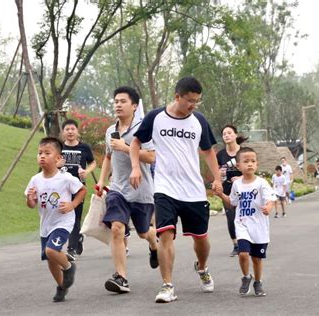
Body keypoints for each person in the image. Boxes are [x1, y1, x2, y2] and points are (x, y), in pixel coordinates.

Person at [129, 76, 221, 303]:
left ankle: (202, 267)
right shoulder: (156, 117)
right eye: (189, 100)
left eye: (197, 101)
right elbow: (135, 142)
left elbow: (208, 151)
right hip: (165, 187)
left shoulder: (198, 120)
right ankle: (167, 286)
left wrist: (217, 178)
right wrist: (135, 168)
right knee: (165, 235)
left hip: (193, 190)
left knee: (201, 239)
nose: (193, 105)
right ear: (177, 96)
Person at [95, 86, 159, 294]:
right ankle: (121, 277)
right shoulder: (109, 131)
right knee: (117, 229)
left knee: (142, 232)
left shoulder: (143, 129)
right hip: (117, 189)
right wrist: (102, 181)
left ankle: (153, 244)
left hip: (141, 191)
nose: (118, 105)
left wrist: (125, 147)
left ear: (134, 106)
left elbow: (151, 157)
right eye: (116, 101)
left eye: (123, 101)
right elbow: (107, 157)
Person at [25, 137, 87, 302]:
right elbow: (31, 204)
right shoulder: (35, 179)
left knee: (51, 251)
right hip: (45, 225)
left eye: (47, 153)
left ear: (58, 158)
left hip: (63, 222)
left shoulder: (65, 178)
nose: (42, 156)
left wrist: (72, 205)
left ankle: (68, 267)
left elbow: (82, 190)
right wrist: (30, 198)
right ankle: (62, 286)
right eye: (39, 153)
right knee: (50, 259)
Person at [215, 147, 276, 296]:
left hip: (259, 226)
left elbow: (271, 199)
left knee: (256, 259)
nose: (250, 164)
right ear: (238, 166)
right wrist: (220, 194)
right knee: (243, 254)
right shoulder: (237, 185)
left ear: (257, 164)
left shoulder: (262, 183)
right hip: (242, 224)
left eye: (253, 161)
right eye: (246, 161)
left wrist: (268, 207)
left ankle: (258, 282)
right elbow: (233, 202)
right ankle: (246, 277)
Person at [58, 119, 97, 261]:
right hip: (62, 188)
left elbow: (93, 162)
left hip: (78, 188)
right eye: (67, 129)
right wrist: (57, 164)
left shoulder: (84, 148)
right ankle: (78, 238)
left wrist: (86, 172)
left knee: (75, 217)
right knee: (63, 216)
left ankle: (71, 249)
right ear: (63, 132)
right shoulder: (59, 147)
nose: (70, 131)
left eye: (72, 129)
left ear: (77, 131)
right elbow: (51, 165)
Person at [216, 124, 246, 257]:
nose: (226, 135)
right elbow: (216, 173)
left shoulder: (244, 152)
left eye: (229, 133)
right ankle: (236, 245)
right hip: (227, 189)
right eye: (224, 134)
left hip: (244, 189)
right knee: (231, 217)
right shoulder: (220, 154)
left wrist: (240, 177)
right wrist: (220, 173)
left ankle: (247, 242)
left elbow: (252, 169)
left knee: (244, 216)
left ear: (235, 135)